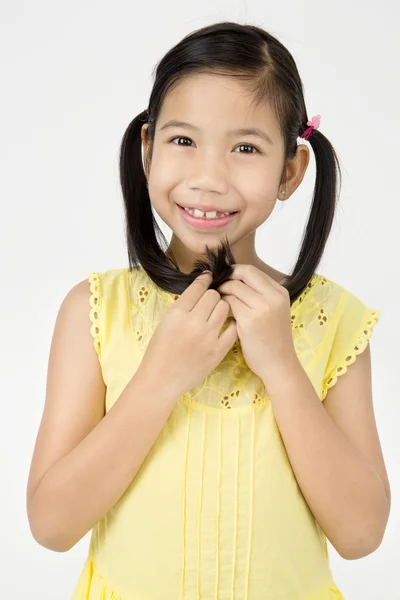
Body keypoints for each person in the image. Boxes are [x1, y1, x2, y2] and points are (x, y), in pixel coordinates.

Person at [26, 21, 391, 600]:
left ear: (290, 171)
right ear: (147, 150)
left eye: (246, 148)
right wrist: (159, 378)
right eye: (182, 141)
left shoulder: (332, 319)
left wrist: (282, 367)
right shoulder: (96, 311)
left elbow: (361, 534)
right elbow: (51, 525)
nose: (208, 177)